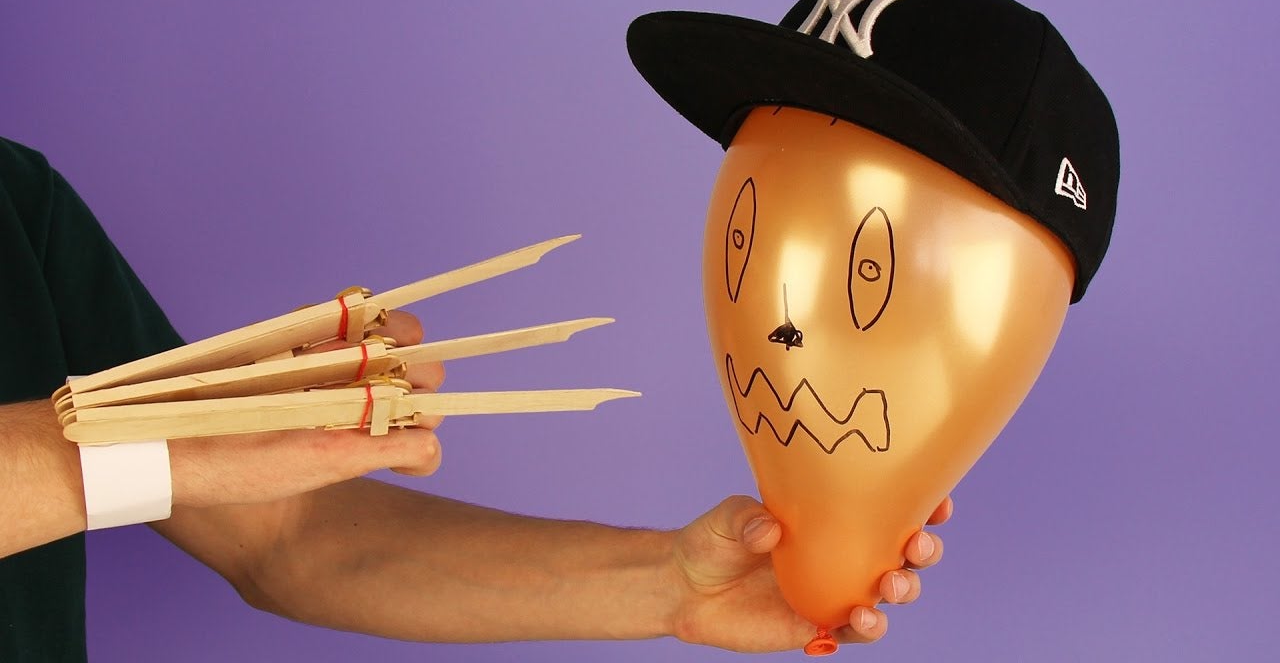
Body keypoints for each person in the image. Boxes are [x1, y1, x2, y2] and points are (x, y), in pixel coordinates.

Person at [0, 135, 950, 661]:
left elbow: (286, 536)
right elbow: (168, 461)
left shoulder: (18, 205)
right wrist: (131, 450)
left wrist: (672, 582)